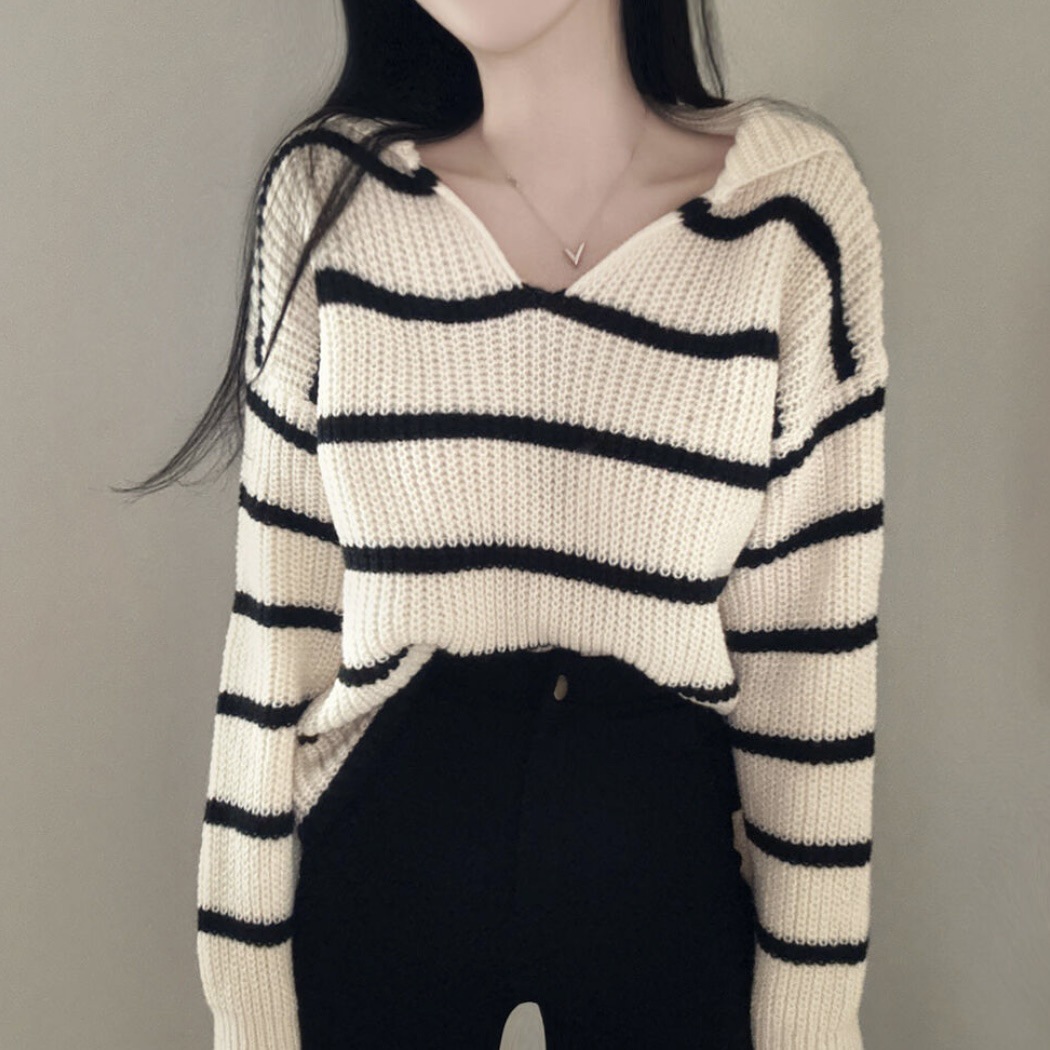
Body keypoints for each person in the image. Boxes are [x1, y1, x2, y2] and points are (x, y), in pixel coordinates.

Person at [116, 2, 889, 1047]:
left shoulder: (788, 217)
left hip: (659, 853)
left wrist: (811, 1018)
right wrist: (247, 999)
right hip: (389, 837)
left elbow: (812, 665)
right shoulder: (331, 200)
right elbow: (277, 630)